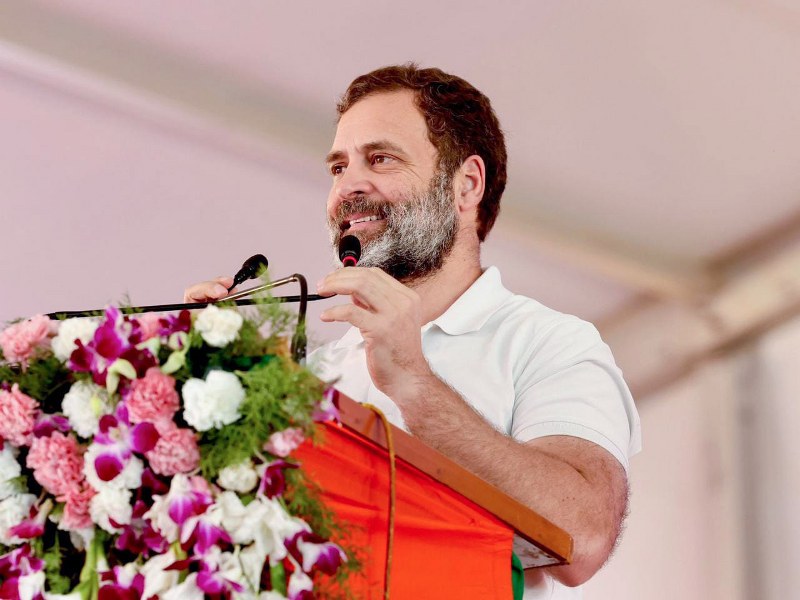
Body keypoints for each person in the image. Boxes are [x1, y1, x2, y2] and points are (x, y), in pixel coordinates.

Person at [185, 64, 641, 599]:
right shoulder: (313, 373)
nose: (348, 186)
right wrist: (207, 398)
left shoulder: (547, 342)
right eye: (338, 167)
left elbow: (584, 536)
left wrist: (414, 383)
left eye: (380, 158)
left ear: (466, 184)